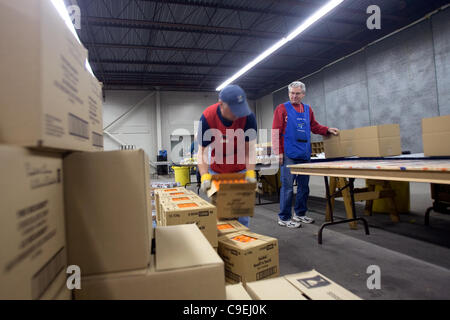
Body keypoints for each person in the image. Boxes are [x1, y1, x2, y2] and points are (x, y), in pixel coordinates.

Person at [272, 81, 339, 228]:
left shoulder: (307, 109)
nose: (294, 96)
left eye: (297, 93)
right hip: (289, 153)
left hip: (304, 153)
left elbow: (314, 126)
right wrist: (278, 152)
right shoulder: (282, 108)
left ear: (303, 94)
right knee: (288, 187)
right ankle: (284, 217)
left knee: (304, 187)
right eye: (291, 93)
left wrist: (327, 130)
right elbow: (275, 131)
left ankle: (300, 214)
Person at [197, 85, 257, 227]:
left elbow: (250, 149)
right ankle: (225, 246)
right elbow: (202, 151)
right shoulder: (207, 117)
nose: (238, 114)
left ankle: (243, 246)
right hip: (217, 170)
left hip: (239, 169)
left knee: (241, 214)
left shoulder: (248, 117)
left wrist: (250, 172)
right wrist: (205, 175)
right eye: (234, 109)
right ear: (221, 104)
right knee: (222, 215)